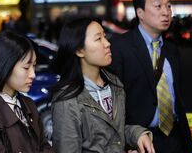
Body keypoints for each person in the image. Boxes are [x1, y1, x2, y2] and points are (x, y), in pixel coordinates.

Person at [110, 0, 192, 153]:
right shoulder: (120, 48)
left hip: (175, 137)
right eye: (158, 6)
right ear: (140, 13)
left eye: (168, 6)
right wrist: (126, 143)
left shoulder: (171, 50)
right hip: (140, 141)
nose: (166, 12)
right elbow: (114, 104)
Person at [51, 18, 154, 153]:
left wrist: (137, 134)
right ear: (80, 50)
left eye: (104, 36)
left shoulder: (114, 83)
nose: (107, 43)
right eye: (98, 39)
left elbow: (114, 132)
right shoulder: (67, 99)